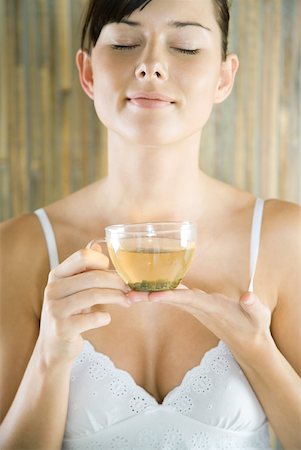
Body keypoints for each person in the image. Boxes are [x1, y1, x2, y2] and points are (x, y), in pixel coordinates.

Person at [0, 0, 300, 448]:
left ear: (223, 77)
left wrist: (258, 351)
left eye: (185, 46)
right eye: (124, 43)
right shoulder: (18, 249)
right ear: (88, 73)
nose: (151, 65)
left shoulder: (285, 239)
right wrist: (51, 354)